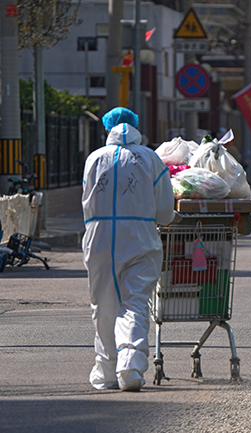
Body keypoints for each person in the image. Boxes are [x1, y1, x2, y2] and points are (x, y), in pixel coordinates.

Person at [82, 107, 175, 391]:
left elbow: (86, 200)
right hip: (139, 236)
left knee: (104, 305)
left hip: (99, 237)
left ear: (106, 129)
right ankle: (131, 366)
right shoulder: (150, 158)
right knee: (135, 301)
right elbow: (164, 210)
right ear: (136, 127)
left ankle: (107, 371)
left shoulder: (95, 158)